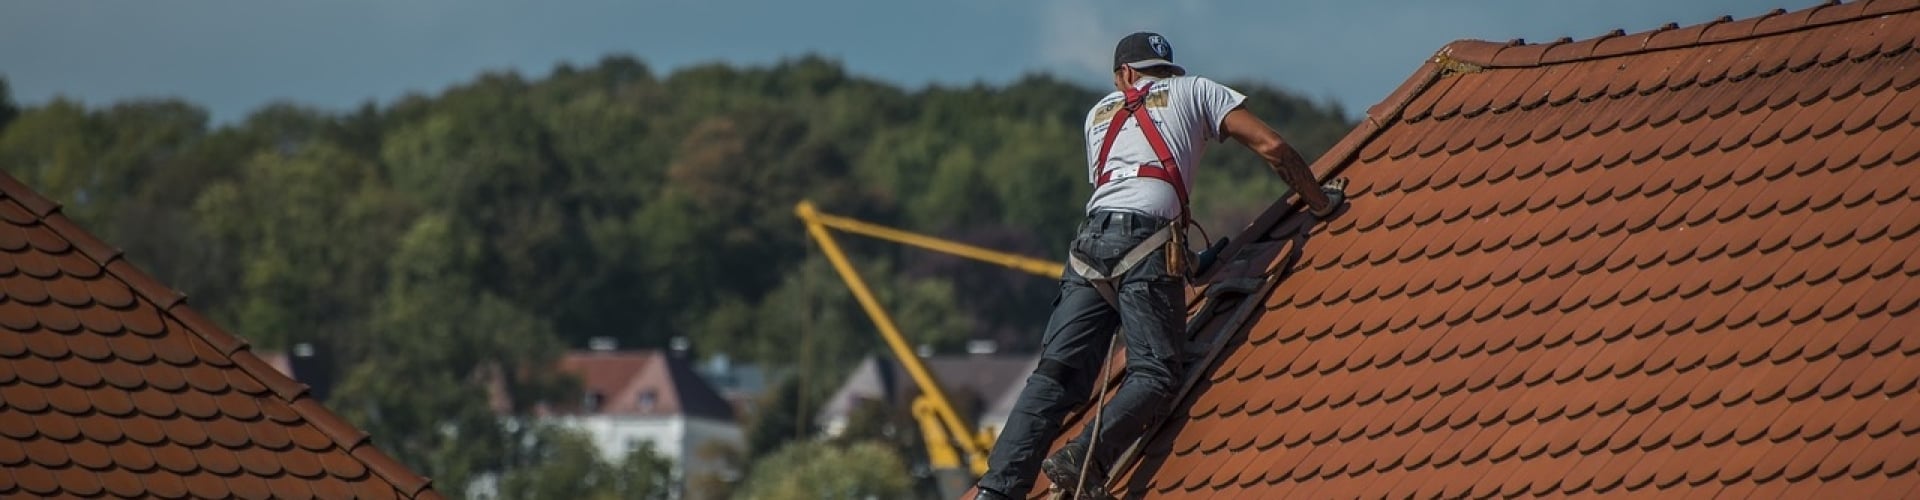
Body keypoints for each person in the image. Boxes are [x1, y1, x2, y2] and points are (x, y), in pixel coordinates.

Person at [972, 32, 1346, 499]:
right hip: (1146, 239)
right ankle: (1082, 457)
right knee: (1156, 372)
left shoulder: (1098, 115)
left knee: (1056, 376)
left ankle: (996, 490)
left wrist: (1184, 264)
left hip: (1088, 245)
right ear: (1167, 69)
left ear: (1124, 75)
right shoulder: (1196, 89)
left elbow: (1125, 192)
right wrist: (1320, 201)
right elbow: (1271, 146)